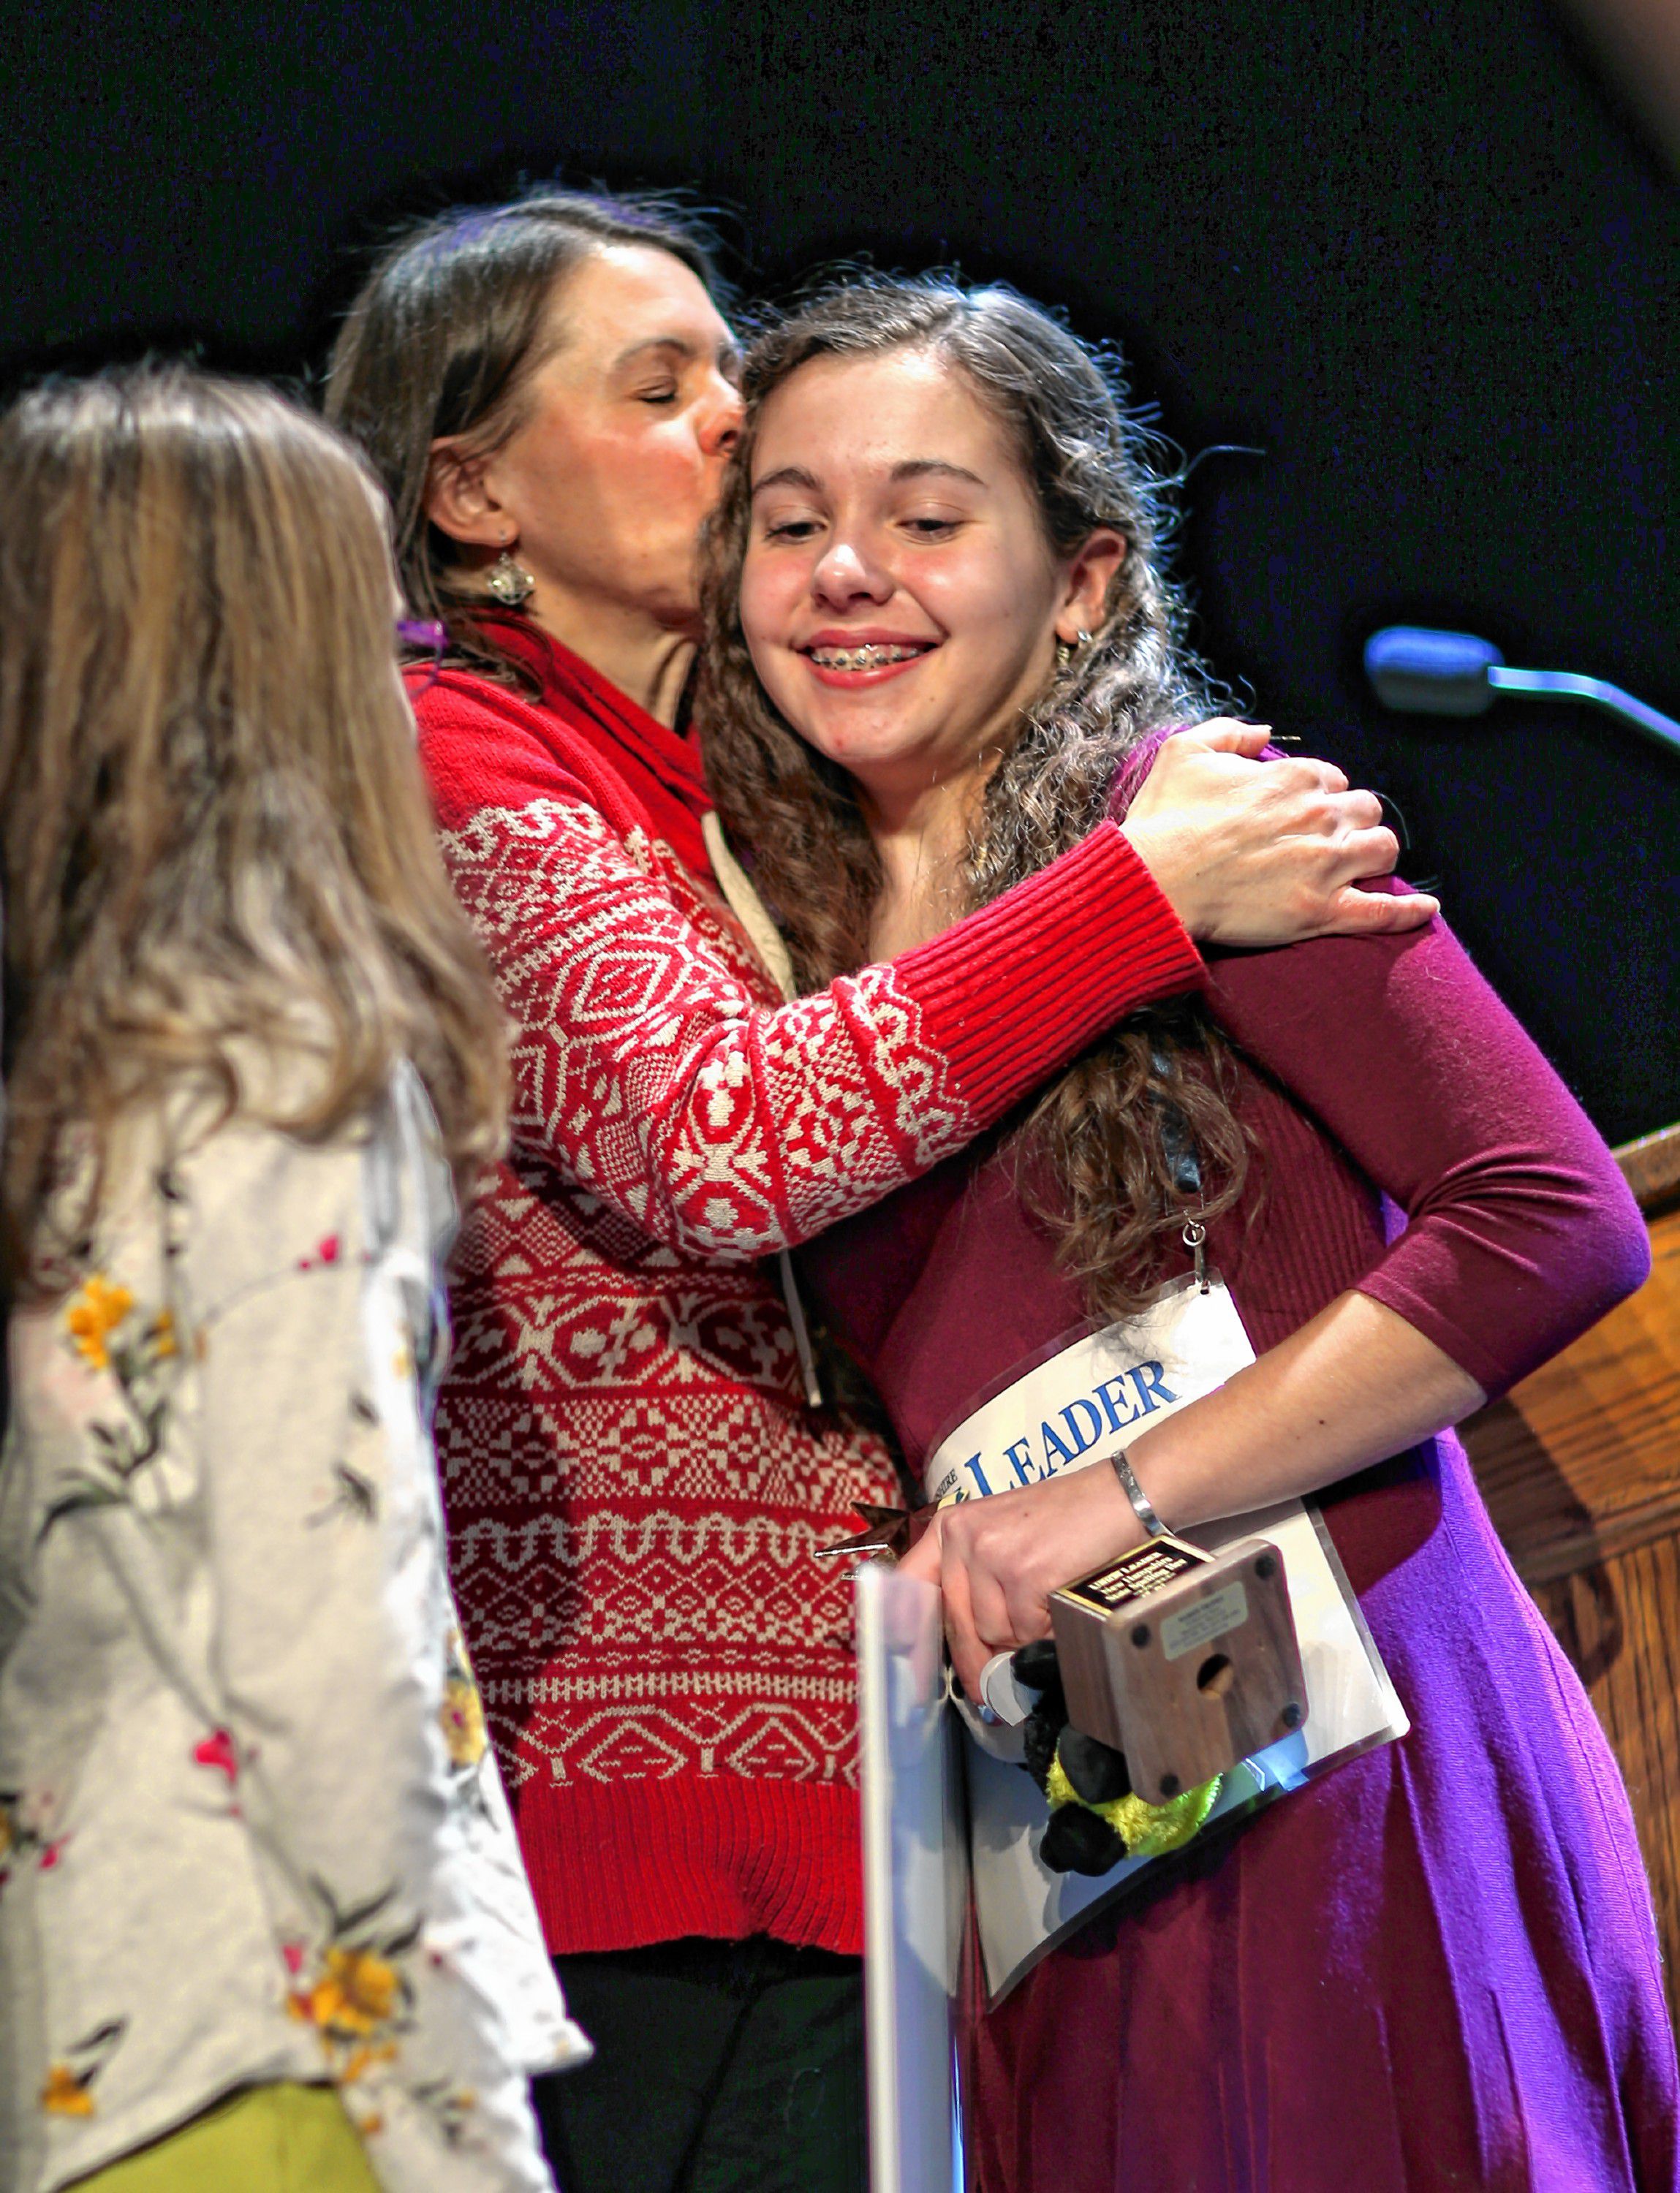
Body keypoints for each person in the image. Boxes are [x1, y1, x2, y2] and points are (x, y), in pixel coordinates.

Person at [322, 189, 1437, 2192]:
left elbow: (1533, 1212)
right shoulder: (458, 748)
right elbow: (721, 1141)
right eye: (660, 389)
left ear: (1085, 580)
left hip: (916, 1767)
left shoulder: (722, 804)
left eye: (728, 374)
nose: (733, 427)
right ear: (474, 492)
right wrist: (1138, 899)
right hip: (651, 1824)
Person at [700, 273, 1680, 2190]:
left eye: (926, 517)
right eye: (791, 521)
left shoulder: (1201, 827)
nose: (846, 572)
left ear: (1079, 581)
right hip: (1068, 1815)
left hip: (1350, 1744)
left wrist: (1110, 1500)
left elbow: (1548, 1217)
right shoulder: (772, 984)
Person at [0, 366, 588, 2193]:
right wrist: (454, 2123)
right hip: (287, 2053)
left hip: (91, 2047)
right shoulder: (284, 1063)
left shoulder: (72, 1073)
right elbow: (325, 1624)